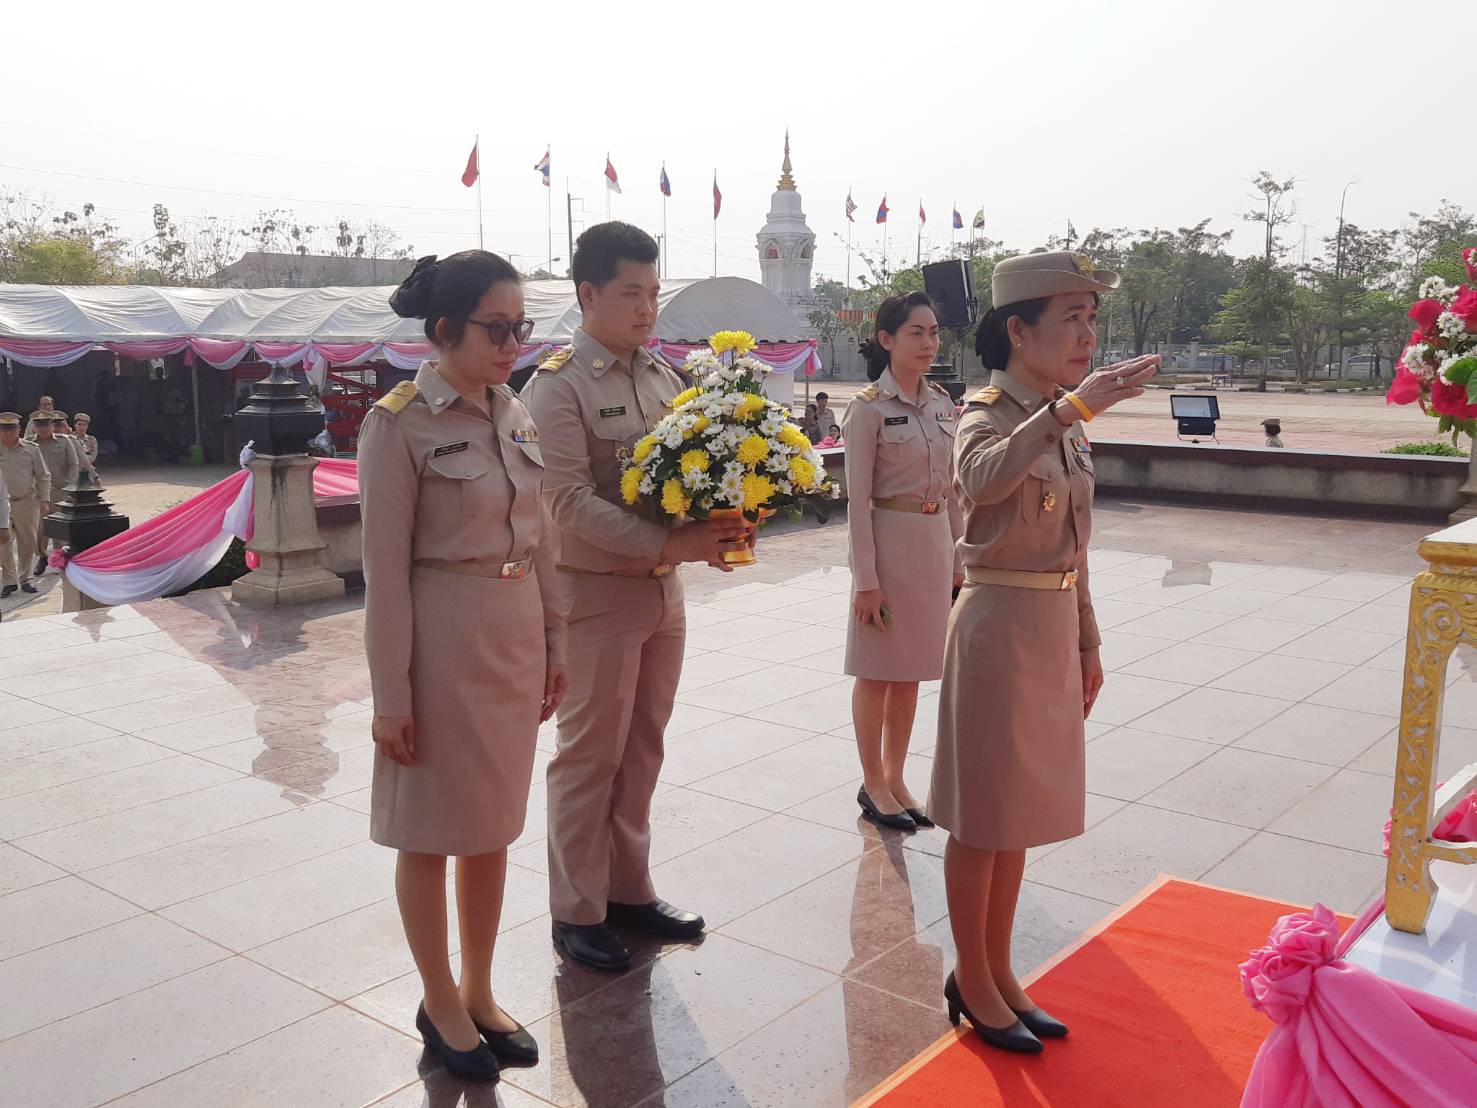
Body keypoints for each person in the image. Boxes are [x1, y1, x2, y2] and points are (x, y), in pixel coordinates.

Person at [931, 251, 1159, 1053]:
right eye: (1071, 319)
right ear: (1018, 330)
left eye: (1091, 320)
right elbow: (983, 481)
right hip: (995, 624)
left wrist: (1088, 637)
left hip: (1049, 625)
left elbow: (1075, 544)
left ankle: (996, 972)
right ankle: (971, 973)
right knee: (981, 818)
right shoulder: (989, 414)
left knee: (1017, 815)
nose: (1085, 336)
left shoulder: (1062, 416)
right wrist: (1066, 414)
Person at [359, 250, 569, 1083]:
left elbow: (542, 537)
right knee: (431, 831)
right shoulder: (400, 422)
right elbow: (384, 571)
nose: (512, 341)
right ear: (445, 329)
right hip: (440, 644)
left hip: (513, 635)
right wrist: (389, 696)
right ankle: (438, 996)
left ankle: (480, 991)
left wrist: (556, 643)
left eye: (521, 326)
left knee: (491, 827)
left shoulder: (514, 411)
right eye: (495, 327)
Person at [522, 221, 752, 973]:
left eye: (653, 294)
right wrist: (666, 543)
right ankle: (577, 910)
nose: (646, 308)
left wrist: (725, 514)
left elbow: (691, 472)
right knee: (589, 755)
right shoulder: (556, 386)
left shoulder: (664, 377)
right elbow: (561, 502)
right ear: (587, 294)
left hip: (662, 595)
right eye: (631, 294)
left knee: (643, 747)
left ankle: (629, 891)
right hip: (593, 596)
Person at [842, 292, 964, 833]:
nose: (928, 342)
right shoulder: (868, 408)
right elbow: (857, 501)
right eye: (916, 332)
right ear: (886, 340)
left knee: (912, 671)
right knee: (876, 672)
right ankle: (872, 781)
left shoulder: (941, 402)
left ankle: (896, 777)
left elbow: (955, 489)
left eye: (933, 332)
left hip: (933, 545)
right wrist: (866, 581)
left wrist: (960, 555)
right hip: (888, 547)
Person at [0, 413, 47, 596]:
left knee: (27, 542)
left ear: (19, 429)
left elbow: (43, 475)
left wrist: (44, 499)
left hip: (26, 501)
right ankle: (9, 580)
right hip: (2, 504)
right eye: (4, 429)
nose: (8, 432)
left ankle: (25, 578)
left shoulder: (31, 448)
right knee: (3, 543)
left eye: (12, 428)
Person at [31, 414, 77, 577]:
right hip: (37, 494)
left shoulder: (64, 441)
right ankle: (43, 556)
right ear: (35, 427)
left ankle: (59, 560)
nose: (43, 428)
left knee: (60, 530)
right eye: (39, 425)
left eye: (46, 424)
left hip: (60, 491)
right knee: (39, 530)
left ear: (52, 425)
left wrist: (70, 485)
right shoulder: (29, 443)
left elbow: (73, 464)